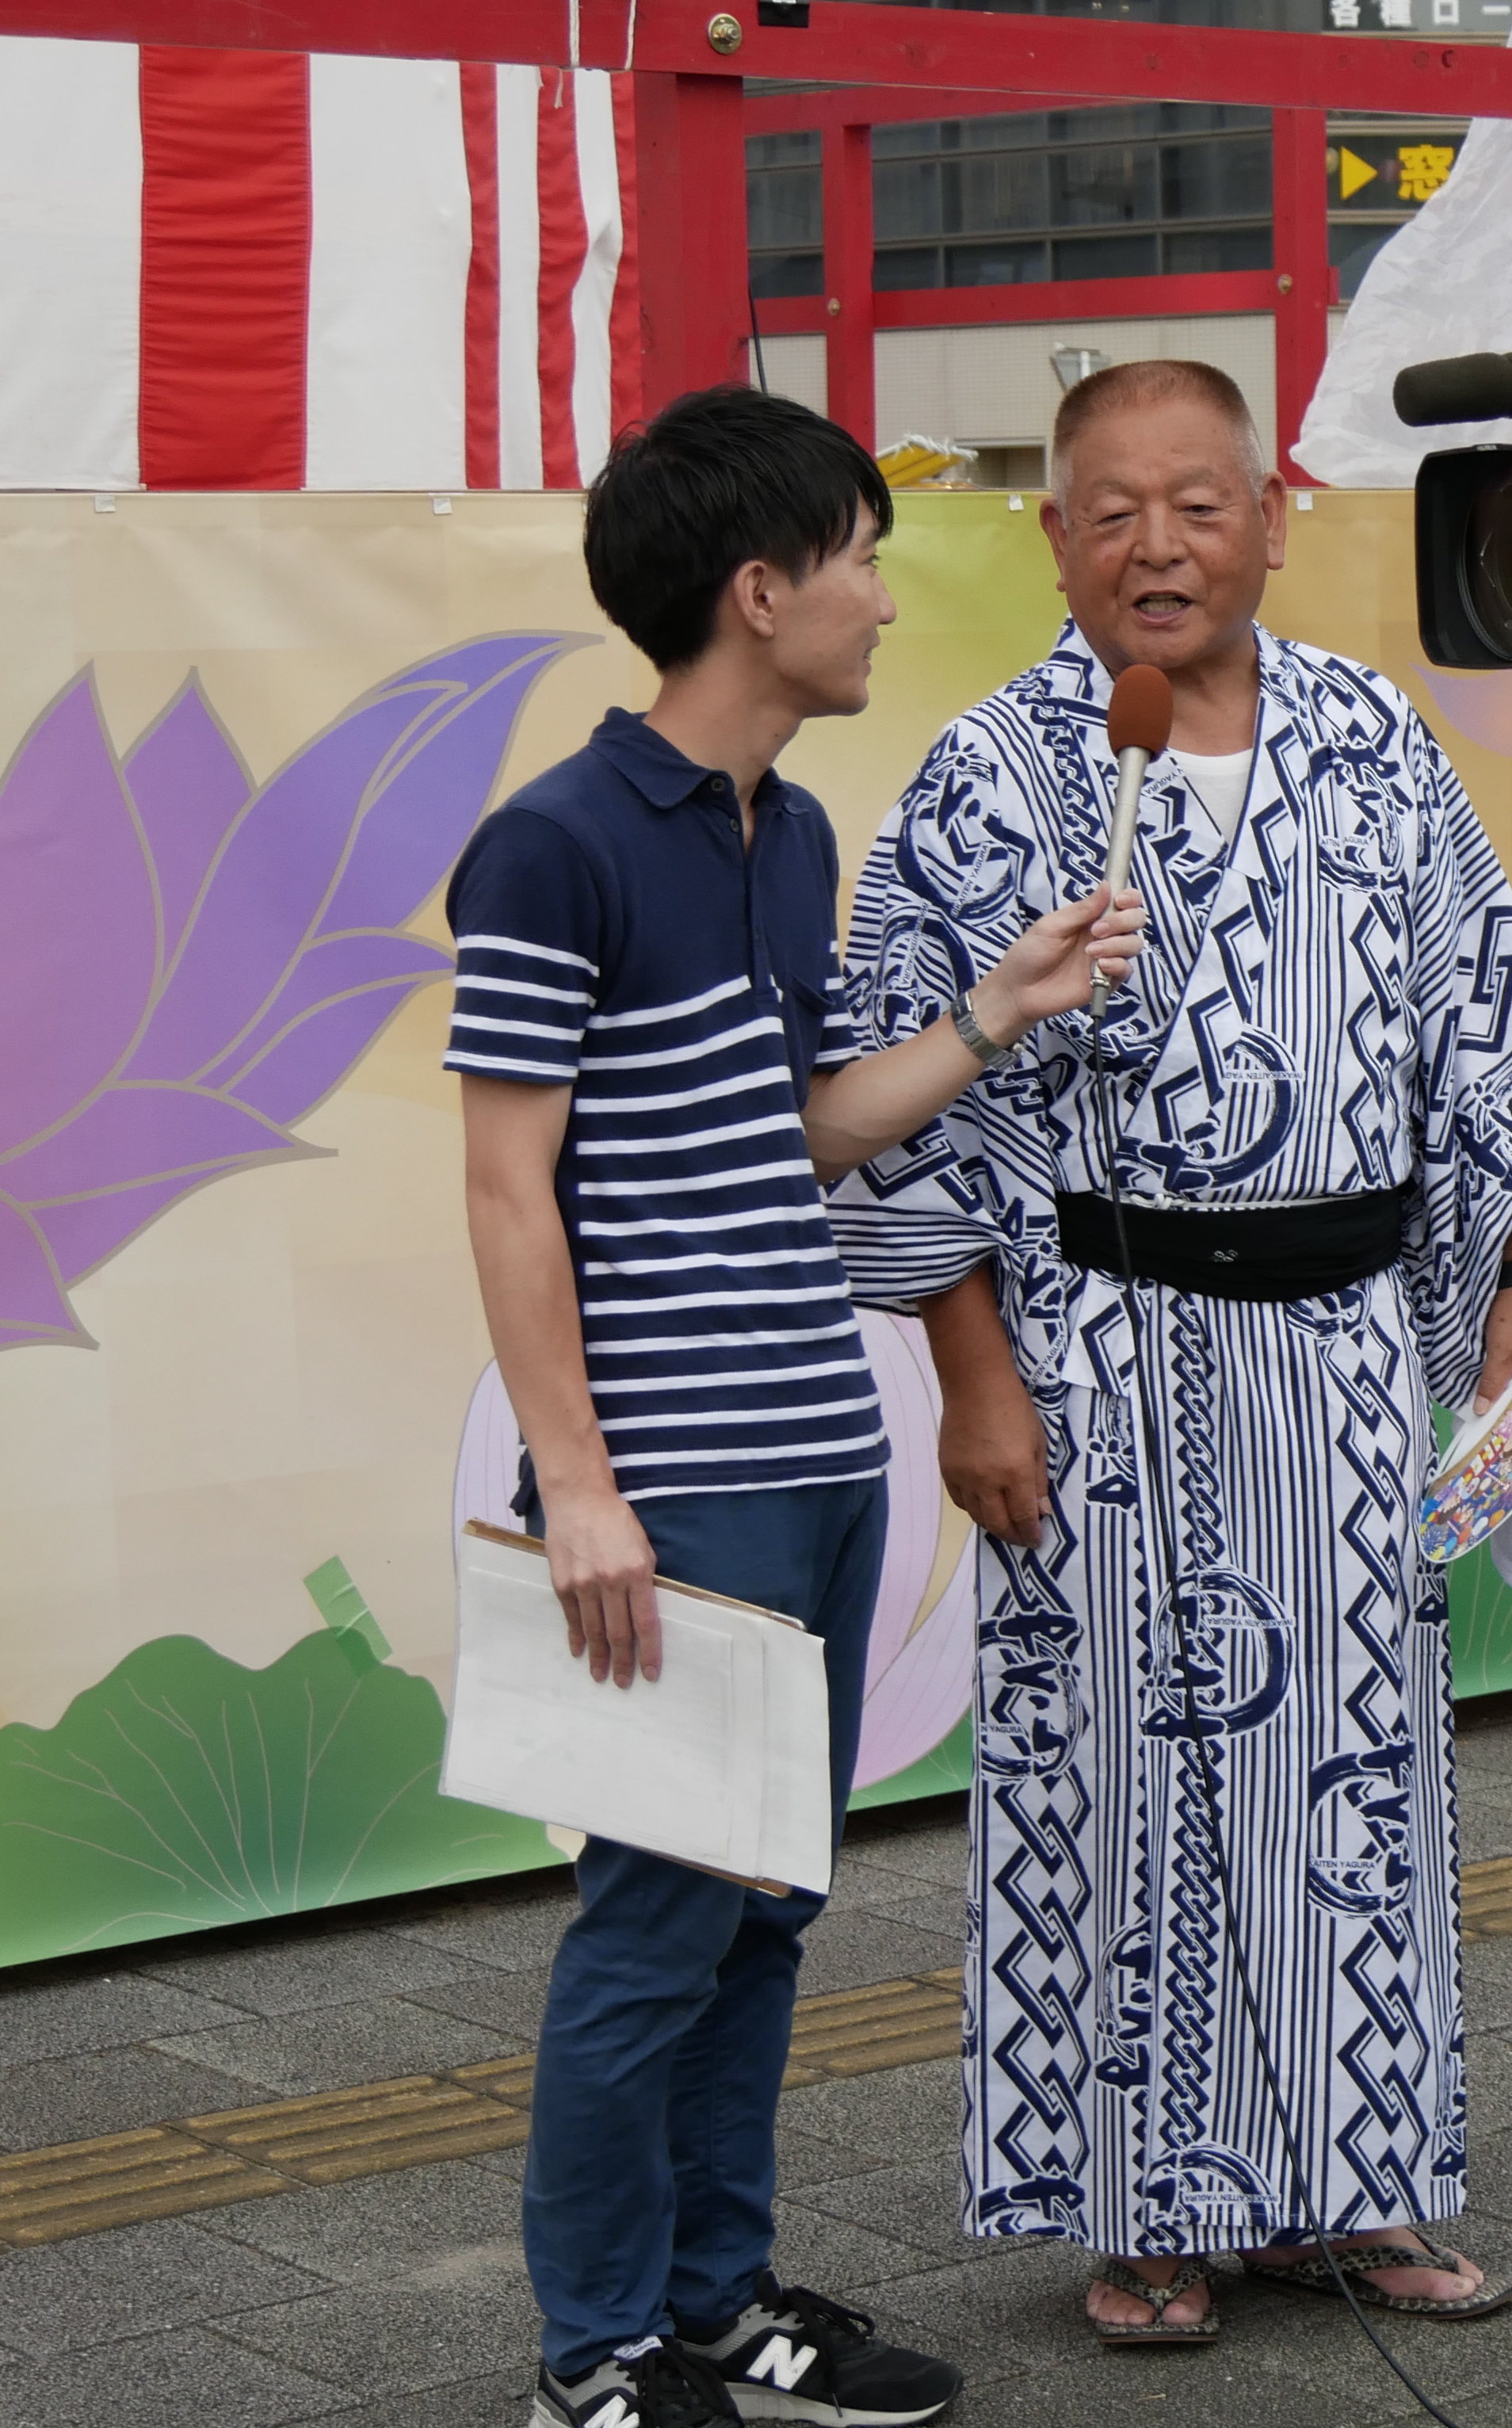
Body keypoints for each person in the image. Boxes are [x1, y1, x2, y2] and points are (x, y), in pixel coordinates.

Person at [830, 361, 1512, 2341]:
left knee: (1358, 1781)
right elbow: (904, 1101)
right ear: (1052, 537)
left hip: (1343, 1356)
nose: (1156, 544)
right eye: (1111, 509)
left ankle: (1365, 2185)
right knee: (1116, 1778)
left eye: (1198, 503)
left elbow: (1480, 1029)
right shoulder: (986, 778)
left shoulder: (1378, 744)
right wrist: (974, 1377)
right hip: (1100, 1352)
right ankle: (1149, 2205)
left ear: (1272, 515)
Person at [450, 386, 1144, 2428]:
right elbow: (508, 1184)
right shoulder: (555, 844)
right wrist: (579, 1487)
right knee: (656, 1924)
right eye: (854, 551)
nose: (876, 588)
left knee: (765, 1900)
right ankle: (597, 2346)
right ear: (758, 593)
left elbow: (808, 1132)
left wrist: (994, 1012)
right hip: (672, 1483)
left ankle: (719, 2293)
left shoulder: (796, 828)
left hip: (818, 1465)